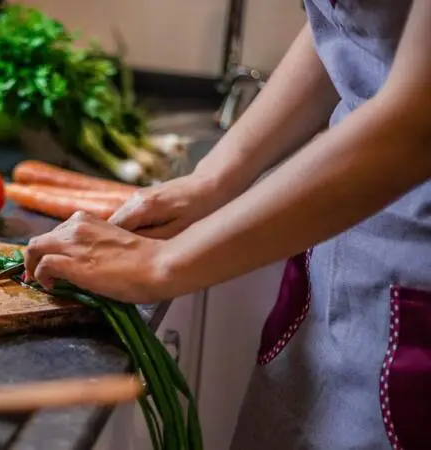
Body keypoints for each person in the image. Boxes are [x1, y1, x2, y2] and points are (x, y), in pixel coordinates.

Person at [23, 0, 430, 448]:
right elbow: (350, 26)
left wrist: (164, 263)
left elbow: (416, 124)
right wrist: (213, 178)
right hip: (344, 255)